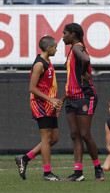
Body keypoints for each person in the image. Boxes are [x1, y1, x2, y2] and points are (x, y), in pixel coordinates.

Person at [15, 36, 63, 181]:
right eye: (55, 47)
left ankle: (25, 158)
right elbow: (32, 88)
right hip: (41, 105)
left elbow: (49, 86)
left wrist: (56, 102)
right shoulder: (39, 65)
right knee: (46, 139)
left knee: (54, 139)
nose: (56, 49)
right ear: (49, 49)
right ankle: (47, 173)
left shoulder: (48, 61)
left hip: (50, 105)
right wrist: (50, 100)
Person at [62, 23, 103, 182]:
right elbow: (71, 80)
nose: (63, 36)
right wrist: (61, 100)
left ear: (73, 34)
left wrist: (85, 72)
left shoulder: (78, 47)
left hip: (85, 96)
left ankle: (98, 168)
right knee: (75, 134)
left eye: (65, 33)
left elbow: (86, 58)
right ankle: (78, 173)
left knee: (85, 134)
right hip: (72, 97)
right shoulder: (72, 50)